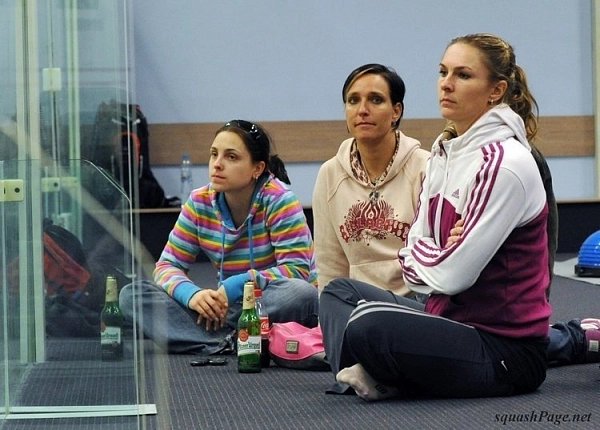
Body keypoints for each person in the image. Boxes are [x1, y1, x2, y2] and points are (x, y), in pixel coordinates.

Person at [319, 34, 599, 401]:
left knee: (368, 325)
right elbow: (415, 252)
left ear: (495, 90)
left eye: (463, 75)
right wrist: (434, 252)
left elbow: (454, 275)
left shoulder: (505, 163)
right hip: (447, 319)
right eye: (442, 71)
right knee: (339, 293)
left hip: (503, 350)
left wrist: (429, 256)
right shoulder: (442, 154)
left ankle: (378, 371)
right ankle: (374, 372)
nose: (446, 84)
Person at [120, 119, 319, 355]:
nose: (217, 164)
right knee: (131, 295)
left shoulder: (280, 200)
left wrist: (237, 285)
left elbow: (297, 271)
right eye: (214, 154)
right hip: (227, 308)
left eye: (231, 157)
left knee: (302, 294)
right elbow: (166, 266)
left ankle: (213, 337)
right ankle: (237, 339)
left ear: (257, 168)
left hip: (267, 301)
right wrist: (193, 296)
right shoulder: (199, 202)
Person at [312, 63, 429, 297]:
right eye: (353, 100)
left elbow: (434, 261)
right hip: (357, 302)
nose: (362, 110)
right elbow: (330, 266)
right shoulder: (330, 174)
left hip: (416, 300)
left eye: (375, 100)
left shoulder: (425, 168)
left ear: (396, 111)